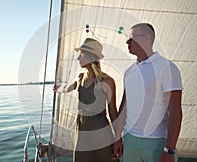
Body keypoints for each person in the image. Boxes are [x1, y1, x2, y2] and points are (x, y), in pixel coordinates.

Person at [113, 23, 183, 162]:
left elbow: (175, 111)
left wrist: (169, 150)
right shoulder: (129, 72)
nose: (127, 41)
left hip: (156, 143)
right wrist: (117, 138)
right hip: (129, 141)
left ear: (146, 39)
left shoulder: (167, 68)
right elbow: (124, 107)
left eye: (132, 37)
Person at [54, 38, 119, 162]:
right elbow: (69, 88)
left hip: (100, 130)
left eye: (81, 54)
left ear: (90, 57)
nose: (78, 58)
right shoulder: (80, 77)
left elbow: (113, 112)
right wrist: (58, 88)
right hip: (82, 128)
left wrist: (118, 138)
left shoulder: (107, 81)